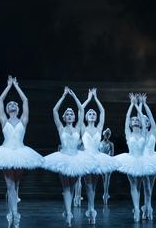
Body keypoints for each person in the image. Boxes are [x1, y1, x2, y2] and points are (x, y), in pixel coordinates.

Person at [0, 76, 43, 228]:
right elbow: (0, 100)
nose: (13, 104)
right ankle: (14, 215)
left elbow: (26, 100)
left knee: (16, 185)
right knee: (9, 185)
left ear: (19, 109)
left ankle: (12, 213)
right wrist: (9, 86)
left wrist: (17, 86)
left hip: (21, 153)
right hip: (6, 152)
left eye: (15, 103)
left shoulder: (23, 120)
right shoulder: (4, 120)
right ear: (7, 109)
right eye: (10, 104)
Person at [42, 87, 97, 226]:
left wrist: (74, 96)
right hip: (63, 158)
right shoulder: (61, 127)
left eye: (71, 113)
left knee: (72, 187)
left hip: (77, 158)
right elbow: (54, 110)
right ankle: (68, 215)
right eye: (67, 113)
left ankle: (68, 212)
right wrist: (63, 96)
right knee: (66, 188)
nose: (70, 114)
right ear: (64, 117)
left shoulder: (78, 126)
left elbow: (81, 110)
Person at [114, 94, 156, 222]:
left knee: (148, 187)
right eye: (135, 120)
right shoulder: (128, 133)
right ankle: (137, 209)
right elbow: (128, 118)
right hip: (131, 160)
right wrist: (133, 103)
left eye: (138, 120)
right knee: (134, 186)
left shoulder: (146, 132)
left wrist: (141, 105)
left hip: (146, 161)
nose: (137, 121)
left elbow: (144, 121)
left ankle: (148, 207)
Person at [80, 88, 119, 223]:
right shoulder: (83, 128)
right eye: (89, 113)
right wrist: (88, 98)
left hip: (97, 157)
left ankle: (92, 209)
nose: (91, 113)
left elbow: (102, 111)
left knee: (94, 185)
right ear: (86, 116)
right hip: (86, 157)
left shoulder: (99, 128)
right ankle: (91, 210)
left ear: (95, 117)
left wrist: (95, 98)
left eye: (93, 113)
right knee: (88, 184)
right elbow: (80, 109)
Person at [98, 128, 115, 205]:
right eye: (106, 134)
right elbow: (98, 153)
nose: (107, 136)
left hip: (108, 161)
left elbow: (112, 154)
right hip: (101, 161)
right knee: (103, 179)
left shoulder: (111, 144)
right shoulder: (99, 143)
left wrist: (108, 159)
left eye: (108, 135)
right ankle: (105, 194)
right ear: (103, 134)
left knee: (107, 179)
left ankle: (105, 194)